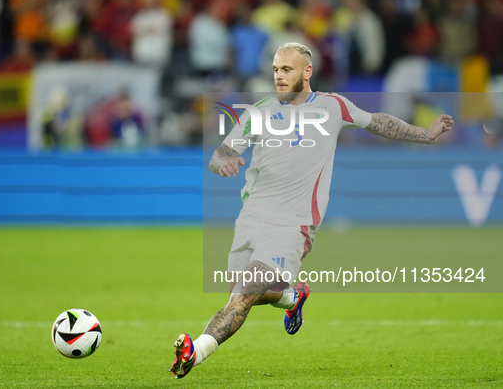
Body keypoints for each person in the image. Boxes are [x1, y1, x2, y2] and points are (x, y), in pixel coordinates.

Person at [169, 42, 454, 379]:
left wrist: (425, 134)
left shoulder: (333, 107)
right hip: (251, 218)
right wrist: (223, 162)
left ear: (307, 72)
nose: (278, 76)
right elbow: (221, 153)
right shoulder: (257, 112)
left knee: (244, 294)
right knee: (242, 290)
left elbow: (376, 121)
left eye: (286, 69)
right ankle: (293, 297)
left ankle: (195, 351)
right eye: (275, 69)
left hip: (294, 224)